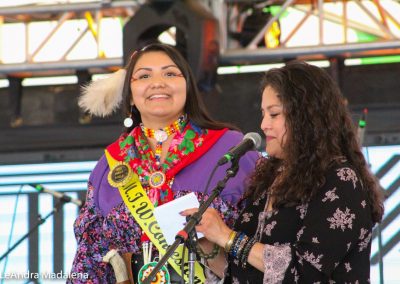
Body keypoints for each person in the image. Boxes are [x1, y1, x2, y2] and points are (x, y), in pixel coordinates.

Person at [67, 43, 259, 284]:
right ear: (131, 95)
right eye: (144, 75)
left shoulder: (232, 149)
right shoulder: (110, 165)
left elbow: (269, 244)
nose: (157, 82)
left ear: (187, 86)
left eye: (170, 73)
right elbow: (89, 258)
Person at [182, 61, 384, 283]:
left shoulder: (340, 180)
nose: (263, 125)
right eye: (263, 114)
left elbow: (305, 271)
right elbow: (245, 273)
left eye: (274, 114)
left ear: (307, 117)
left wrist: (228, 237)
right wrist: (209, 247)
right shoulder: (267, 181)